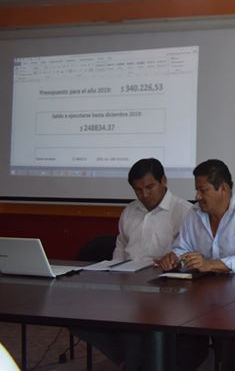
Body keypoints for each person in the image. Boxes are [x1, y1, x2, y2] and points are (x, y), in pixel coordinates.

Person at [75, 158, 192, 371]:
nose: (144, 195)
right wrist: (112, 274)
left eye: (150, 187)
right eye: (138, 190)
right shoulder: (129, 211)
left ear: (163, 181)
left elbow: (187, 253)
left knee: (136, 323)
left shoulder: (183, 211)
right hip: (127, 284)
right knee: (77, 314)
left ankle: (136, 360)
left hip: (163, 289)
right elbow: (120, 249)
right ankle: (128, 359)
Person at [156, 159, 235, 370]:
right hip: (203, 292)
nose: (197, 196)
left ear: (223, 189)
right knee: (176, 327)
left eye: (203, 190)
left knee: (231, 345)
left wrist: (210, 264)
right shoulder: (194, 213)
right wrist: (174, 256)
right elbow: (182, 247)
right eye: (197, 190)